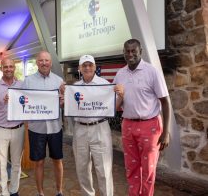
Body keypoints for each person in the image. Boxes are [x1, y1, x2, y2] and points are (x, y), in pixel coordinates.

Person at [113, 39, 171, 196]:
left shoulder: (152, 72)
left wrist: (166, 132)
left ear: (140, 52)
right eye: (127, 51)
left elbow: (165, 102)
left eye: (134, 51)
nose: (130, 54)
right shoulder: (120, 74)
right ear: (123, 52)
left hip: (150, 126)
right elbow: (115, 104)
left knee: (148, 169)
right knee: (131, 168)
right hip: (128, 125)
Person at [23, 51, 64, 196]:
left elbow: (64, 103)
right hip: (36, 128)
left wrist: (63, 101)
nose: (44, 63)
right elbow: (23, 101)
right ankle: (40, 193)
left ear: (51, 62)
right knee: (38, 162)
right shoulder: (28, 81)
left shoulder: (59, 81)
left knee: (57, 160)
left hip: (55, 128)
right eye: (41, 60)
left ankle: (59, 191)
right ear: (37, 63)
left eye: (47, 60)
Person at [72, 55, 113, 196]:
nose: (87, 68)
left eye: (90, 65)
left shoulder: (105, 84)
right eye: (84, 65)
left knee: (103, 169)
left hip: (100, 127)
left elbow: (113, 104)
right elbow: (68, 105)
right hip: (80, 128)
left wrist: (119, 94)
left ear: (95, 67)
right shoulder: (74, 88)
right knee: (82, 168)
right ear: (79, 68)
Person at [0, 58, 25, 196]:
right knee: (1, 163)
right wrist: (0, 118)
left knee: (17, 163)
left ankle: (14, 190)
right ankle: (3, 192)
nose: (8, 69)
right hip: (1, 130)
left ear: (14, 68)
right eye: (6, 67)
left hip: (19, 129)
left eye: (11, 66)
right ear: (1, 68)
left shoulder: (22, 85)